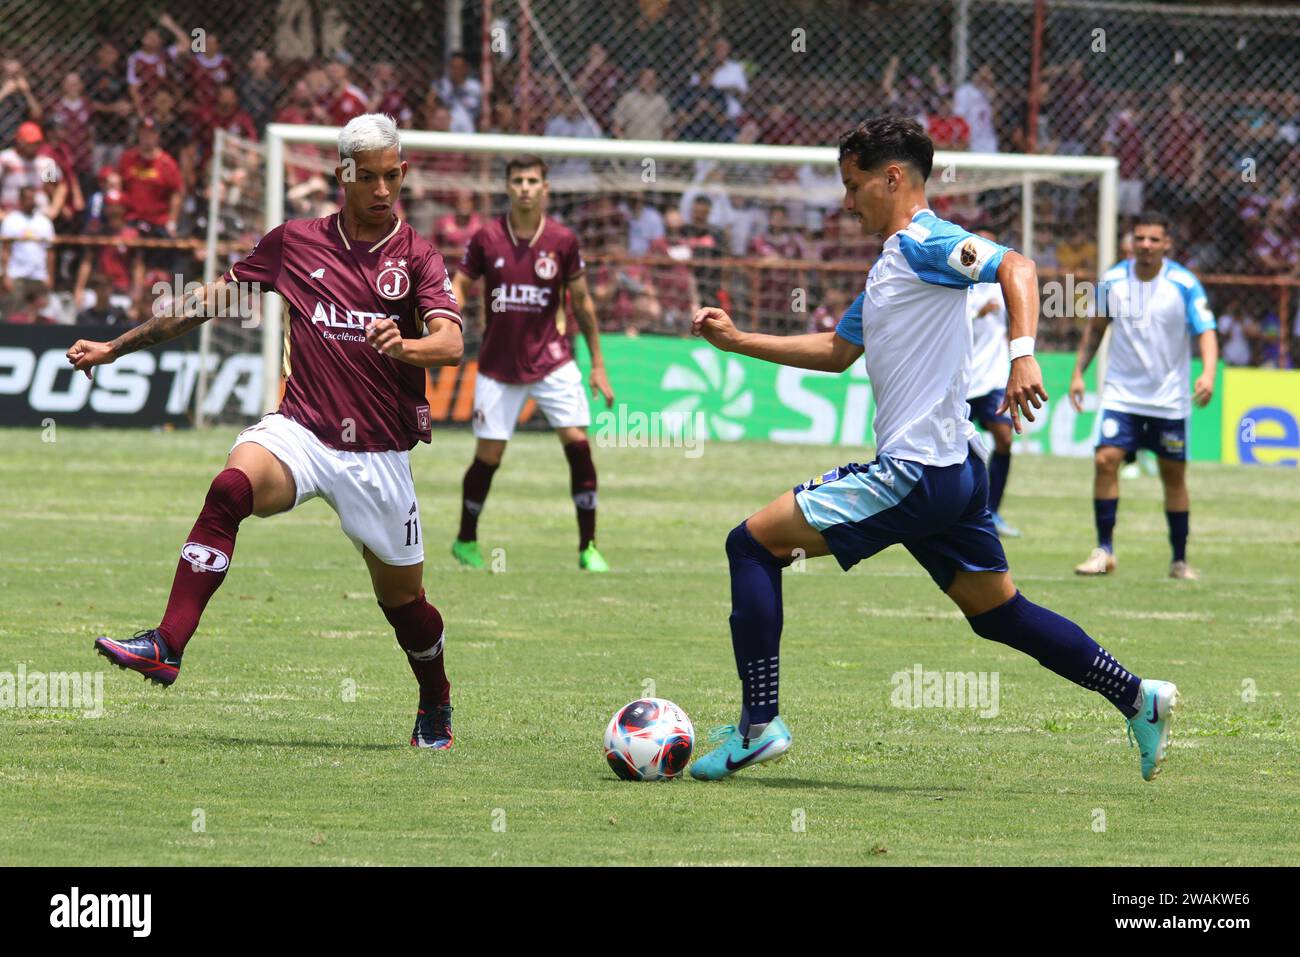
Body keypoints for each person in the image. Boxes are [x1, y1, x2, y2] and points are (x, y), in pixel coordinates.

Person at [686, 116, 1179, 785]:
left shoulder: (925, 240)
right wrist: (739, 340)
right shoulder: (892, 261)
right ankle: (1137, 695)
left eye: (854, 184)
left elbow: (1018, 266)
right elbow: (837, 351)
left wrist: (1023, 354)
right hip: (954, 473)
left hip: (914, 472)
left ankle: (757, 724)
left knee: (751, 544)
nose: (846, 200)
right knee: (999, 613)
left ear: (893, 177)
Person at [65, 114, 465, 750]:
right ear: (343, 175)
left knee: (403, 603)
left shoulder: (417, 254)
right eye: (370, 177)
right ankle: (167, 644)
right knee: (229, 489)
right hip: (301, 433)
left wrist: (406, 344)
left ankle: (434, 698)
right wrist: (115, 347)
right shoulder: (295, 242)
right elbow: (206, 302)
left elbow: (451, 342)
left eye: (394, 176)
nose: (383, 190)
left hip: (378, 458)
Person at [449, 154, 615, 572]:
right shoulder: (486, 238)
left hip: (553, 359)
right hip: (498, 364)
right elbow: (461, 284)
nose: (525, 187)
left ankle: (588, 546)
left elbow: (583, 303)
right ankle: (466, 540)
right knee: (489, 455)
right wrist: (447, 321)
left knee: (578, 444)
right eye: (518, 180)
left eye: (532, 180)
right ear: (508, 186)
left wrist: (597, 364)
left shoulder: (562, 240)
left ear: (545, 188)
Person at [1070, 211, 1218, 580]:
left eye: (1154, 239)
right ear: (1130, 241)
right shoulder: (1114, 280)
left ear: (1167, 243)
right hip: (1122, 395)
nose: (1146, 246)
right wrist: (1077, 373)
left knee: (1173, 476)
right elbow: (1096, 328)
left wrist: (1209, 373)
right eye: (1140, 239)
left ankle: (1179, 560)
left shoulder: (1184, 284)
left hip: (1168, 400)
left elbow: (1206, 331)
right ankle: (1104, 550)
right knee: (1106, 460)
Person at [965, 228, 1019, 537]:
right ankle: (960, 512)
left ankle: (993, 512)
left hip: (994, 375)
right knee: (955, 447)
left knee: (1004, 438)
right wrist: (976, 315)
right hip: (960, 377)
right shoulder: (956, 281)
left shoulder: (1002, 283)